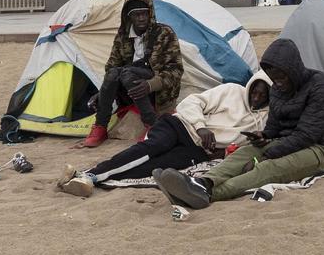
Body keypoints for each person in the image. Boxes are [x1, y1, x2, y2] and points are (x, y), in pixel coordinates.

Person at [154, 38, 324, 208]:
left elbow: (306, 135)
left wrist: (266, 155)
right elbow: (274, 127)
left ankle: (209, 194)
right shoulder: (277, 88)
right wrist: (264, 137)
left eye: (282, 77)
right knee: (244, 153)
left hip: (320, 149)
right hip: (285, 141)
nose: (279, 84)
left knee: (269, 168)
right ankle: (203, 183)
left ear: (293, 70)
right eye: (274, 79)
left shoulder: (320, 87)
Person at [56, 71, 271, 197]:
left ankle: (88, 180)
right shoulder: (232, 91)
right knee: (150, 149)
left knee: (154, 168)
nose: (257, 97)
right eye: (255, 91)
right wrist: (201, 126)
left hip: (198, 150)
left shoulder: (263, 119)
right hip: (180, 125)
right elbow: (193, 102)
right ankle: (91, 174)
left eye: (263, 95)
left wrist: (222, 154)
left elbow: (240, 149)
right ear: (250, 86)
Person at [80, 0, 183, 148]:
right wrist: (102, 93)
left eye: (144, 13)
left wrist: (150, 85)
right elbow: (112, 68)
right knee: (116, 72)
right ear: (129, 16)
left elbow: (175, 71)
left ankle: (152, 125)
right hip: (130, 89)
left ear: (150, 13)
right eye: (136, 14)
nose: (141, 18)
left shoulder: (164, 33)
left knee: (127, 73)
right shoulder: (122, 37)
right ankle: (100, 126)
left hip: (157, 92)